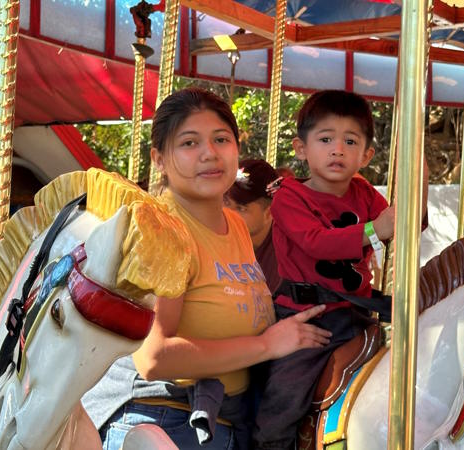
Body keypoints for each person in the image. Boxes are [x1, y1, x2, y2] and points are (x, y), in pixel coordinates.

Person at [82, 88, 332, 450]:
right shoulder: (161, 229)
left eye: (221, 139)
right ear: (159, 158)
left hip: (227, 419)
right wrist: (265, 345)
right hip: (165, 418)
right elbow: (155, 356)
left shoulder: (234, 225)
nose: (209, 153)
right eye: (189, 143)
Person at [253, 90, 428, 449]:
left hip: (357, 316)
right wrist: (372, 230)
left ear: (366, 155)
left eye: (350, 141)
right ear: (301, 148)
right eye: (326, 139)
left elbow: (410, 224)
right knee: (280, 407)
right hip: (307, 319)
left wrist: (416, 165)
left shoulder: (362, 191)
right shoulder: (289, 197)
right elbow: (316, 242)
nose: (338, 149)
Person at [224, 159, 281, 293]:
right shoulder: (215, 240)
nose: (227, 214)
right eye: (225, 202)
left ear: (269, 213)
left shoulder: (285, 259)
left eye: (241, 208)